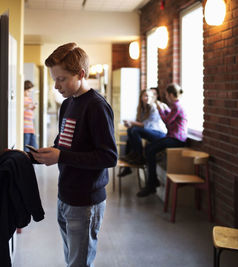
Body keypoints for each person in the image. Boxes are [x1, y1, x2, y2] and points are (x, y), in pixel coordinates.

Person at [29, 43, 117, 267]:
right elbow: (64, 145)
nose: (56, 86)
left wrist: (61, 157)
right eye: (54, 79)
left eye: (62, 79)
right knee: (72, 259)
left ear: (81, 74)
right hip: (65, 194)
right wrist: (36, 156)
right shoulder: (67, 104)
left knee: (79, 263)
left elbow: (109, 157)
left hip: (86, 201)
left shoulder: (97, 107)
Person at [137, 83, 188, 197]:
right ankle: (153, 181)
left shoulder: (177, 106)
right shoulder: (176, 106)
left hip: (176, 139)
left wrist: (160, 110)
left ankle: (152, 184)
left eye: (166, 95)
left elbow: (167, 121)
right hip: (172, 137)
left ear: (170, 94)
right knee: (149, 148)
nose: (165, 97)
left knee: (150, 149)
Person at [118, 89, 167, 177]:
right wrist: (130, 124)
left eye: (149, 96)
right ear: (141, 97)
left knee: (135, 130)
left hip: (160, 133)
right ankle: (133, 157)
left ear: (153, 97)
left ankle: (138, 156)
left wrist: (132, 122)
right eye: (145, 96)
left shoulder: (154, 107)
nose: (147, 98)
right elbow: (140, 124)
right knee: (131, 131)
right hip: (151, 132)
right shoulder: (142, 108)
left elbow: (145, 125)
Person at [24, 80, 38, 152]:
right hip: (25, 128)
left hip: (31, 127)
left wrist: (33, 107)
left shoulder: (30, 99)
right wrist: (26, 106)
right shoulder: (21, 99)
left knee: (34, 148)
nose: (29, 93)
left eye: (30, 92)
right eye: (28, 91)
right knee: (26, 148)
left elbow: (30, 111)